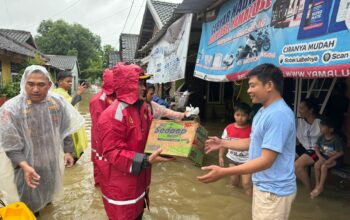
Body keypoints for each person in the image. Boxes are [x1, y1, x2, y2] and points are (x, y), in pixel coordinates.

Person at [198, 63, 296, 220]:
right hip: (262, 186)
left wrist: (224, 172)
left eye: (252, 85)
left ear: (269, 85)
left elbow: (266, 161)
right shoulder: (263, 111)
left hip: (274, 191)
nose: (248, 90)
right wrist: (223, 143)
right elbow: (252, 142)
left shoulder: (279, 115)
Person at [0, 65, 84, 213]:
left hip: (50, 163)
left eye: (41, 84)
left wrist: (68, 152)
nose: (35, 89)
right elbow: (10, 145)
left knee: (49, 199)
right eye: (30, 84)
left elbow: (65, 129)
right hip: (24, 166)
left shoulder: (57, 103)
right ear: (24, 83)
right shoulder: (12, 108)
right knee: (29, 206)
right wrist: (25, 166)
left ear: (49, 85)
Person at [97, 63, 174, 220]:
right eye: (139, 83)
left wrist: (179, 140)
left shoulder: (143, 109)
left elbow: (155, 133)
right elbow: (112, 152)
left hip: (139, 182)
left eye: (143, 83)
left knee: (138, 214)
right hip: (121, 189)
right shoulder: (112, 115)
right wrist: (146, 160)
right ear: (127, 84)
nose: (144, 88)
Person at [218, 102, 252, 196]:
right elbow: (223, 143)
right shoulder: (228, 128)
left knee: (247, 184)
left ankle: (250, 200)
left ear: (249, 116)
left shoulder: (252, 129)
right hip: (232, 159)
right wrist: (220, 156)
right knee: (233, 182)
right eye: (237, 115)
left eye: (243, 115)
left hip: (247, 161)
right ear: (234, 115)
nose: (240, 118)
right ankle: (234, 198)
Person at [53, 71, 88, 162]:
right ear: (60, 82)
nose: (70, 83)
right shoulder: (57, 93)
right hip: (67, 129)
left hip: (70, 128)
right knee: (71, 154)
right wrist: (78, 94)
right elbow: (68, 106)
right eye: (68, 81)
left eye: (71, 82)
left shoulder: (64, 93)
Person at [89, 68, 115, 186]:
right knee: (101, 171)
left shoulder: (115, 97)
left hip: (111, 142)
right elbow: (100, 125)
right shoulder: (98, 99)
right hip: (101, 143)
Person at [310, 117, 344, 199]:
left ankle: (320, 187)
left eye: (322, 127)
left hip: (336, 160)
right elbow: (316, 148)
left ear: (331, 129)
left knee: (324, 167)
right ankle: (317, 184)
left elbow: (341, 152)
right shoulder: (321, 137)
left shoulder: (335, 139)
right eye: (320, 126)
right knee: (316, 165)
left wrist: (330, 159)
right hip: (325, 157)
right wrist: (320, 157)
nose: (320, 128)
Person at [294, 97, 321, 191]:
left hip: (316, 152)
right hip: (302, 148)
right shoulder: (298, 121)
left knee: (297, 166)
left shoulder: (320, 123)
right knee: (281, 158)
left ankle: (309, 190)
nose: (299, 110)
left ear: (311, 110)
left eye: (302, 108)